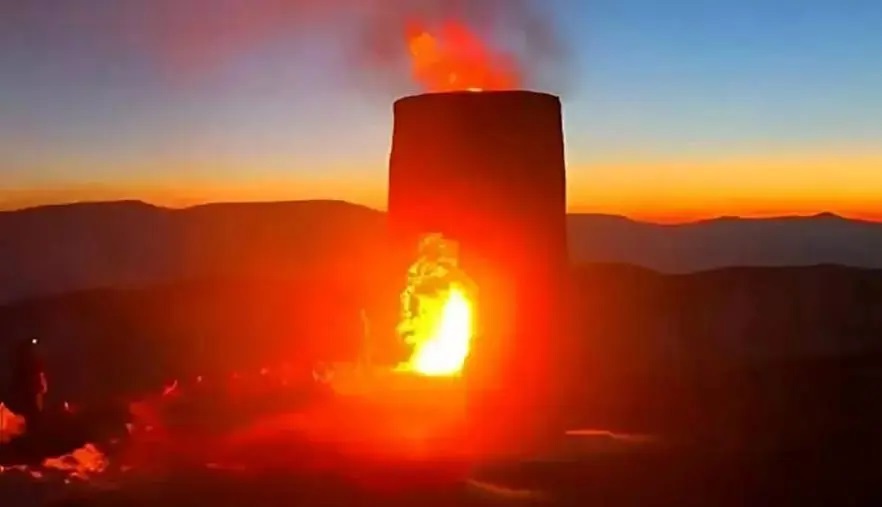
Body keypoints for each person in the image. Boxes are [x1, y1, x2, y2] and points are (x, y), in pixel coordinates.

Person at [7, 337, 48, 426]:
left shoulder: (35, 368)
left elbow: (42, 383)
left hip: (33, 393)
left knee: (35, 414)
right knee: (32, 414)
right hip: (30, 394)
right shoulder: (26, 368)